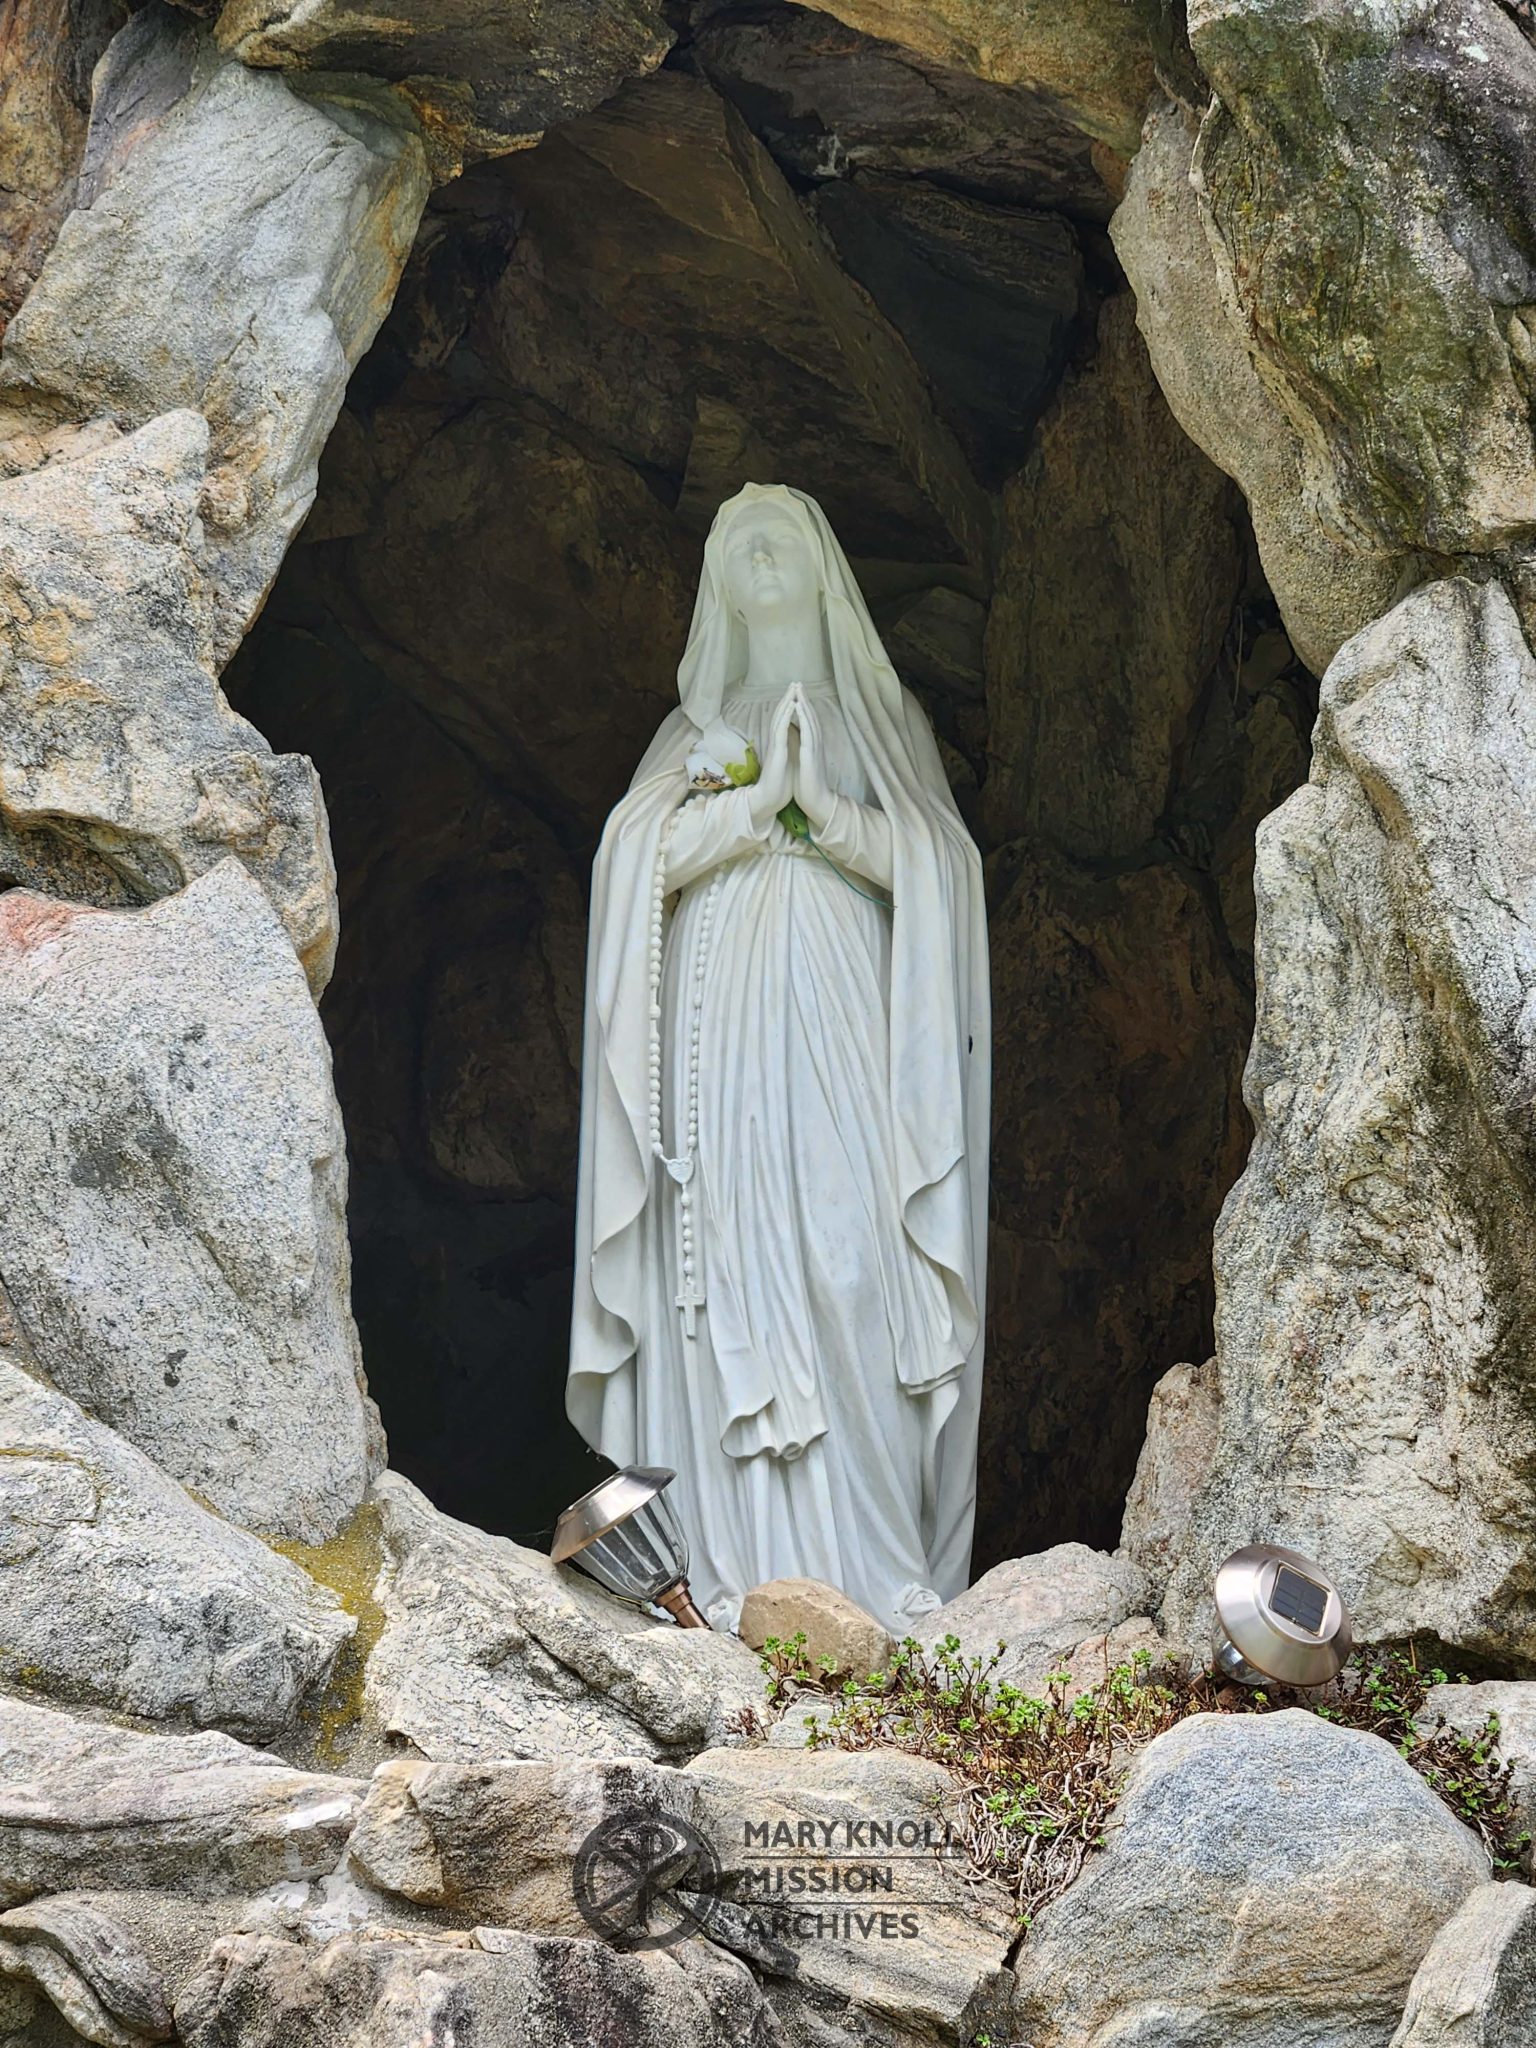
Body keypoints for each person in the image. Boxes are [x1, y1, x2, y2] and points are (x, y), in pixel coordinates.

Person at [566, 481, 989, 1632]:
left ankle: (867, 1576)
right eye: (734, 539)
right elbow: (630, 868)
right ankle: (731, 1573)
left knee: (854, 1265)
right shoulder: (685, 737)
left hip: (846, 1024)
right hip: (720, 1039)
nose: (757, 549)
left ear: (823, 569)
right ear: (716, 588)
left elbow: (944, 876)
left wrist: (830, 813)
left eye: (782, 534)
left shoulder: (880, 717)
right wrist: (750, 812)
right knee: (723, 1280)